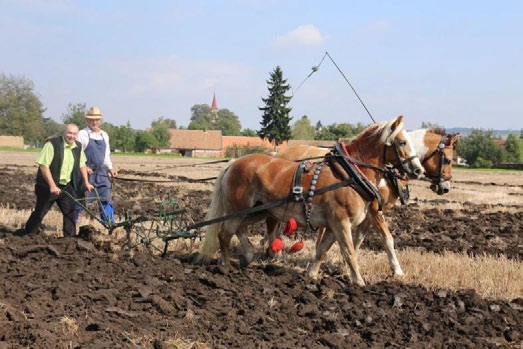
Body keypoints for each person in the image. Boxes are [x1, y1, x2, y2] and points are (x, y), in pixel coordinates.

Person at [23, 124, 94, 237]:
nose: (71, 136)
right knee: (40, 212)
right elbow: (43, 166)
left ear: (77, 135)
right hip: (48, 186)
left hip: (66, 186)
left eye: (74, 134)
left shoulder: (78, 146)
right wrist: (52, 185)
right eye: (69, 133)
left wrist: (86, 182)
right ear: (64, 133)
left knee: (70, 213)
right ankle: (28, 235)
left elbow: (82, 165)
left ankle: (69, 240)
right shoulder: (52, 144)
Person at [76, 106, 117, 225]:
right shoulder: (82, 134)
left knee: (106, 198)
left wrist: (110, 168)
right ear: (87, 121)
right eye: (92, 120)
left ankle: (109, 224)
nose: (95, 122)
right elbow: (77, 154)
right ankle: (72, 223)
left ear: (100, 121)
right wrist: (84, 167)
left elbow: (106, 155)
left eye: (97, 120)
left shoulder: (104, 135)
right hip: (87, 173)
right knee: (81, 200)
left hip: (102, 173)